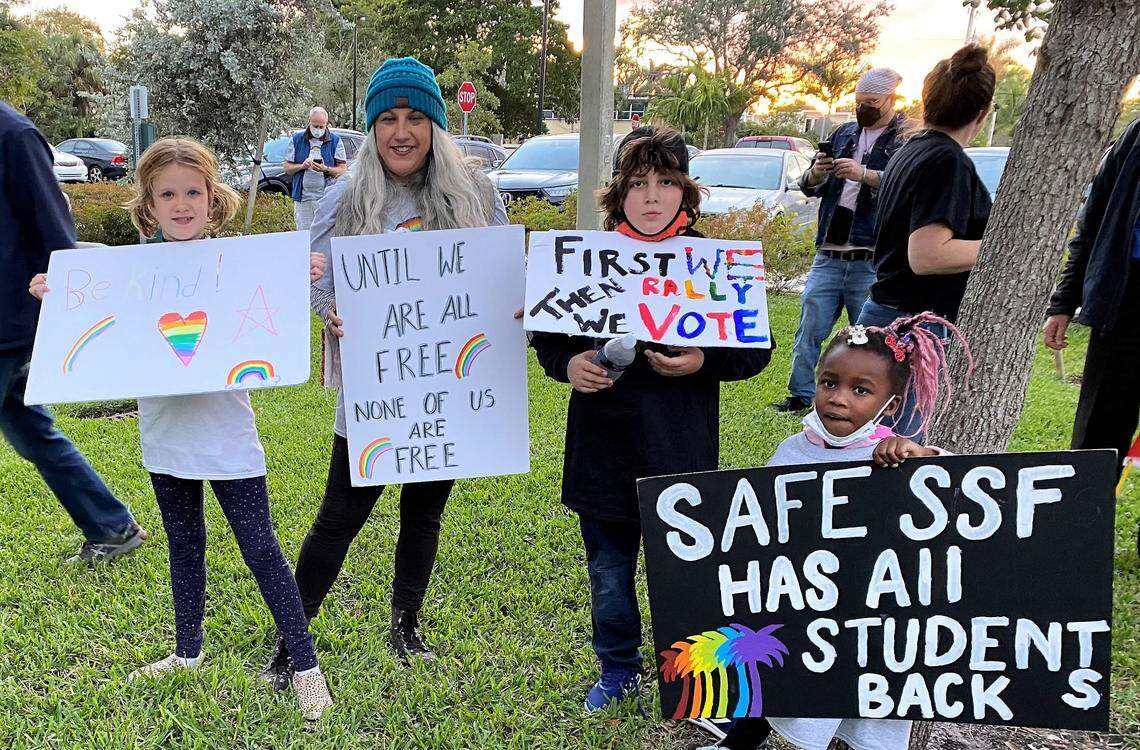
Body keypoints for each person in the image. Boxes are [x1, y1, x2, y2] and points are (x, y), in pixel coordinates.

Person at [32, 138, 333, 720]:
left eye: (192, 191)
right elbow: (94, 320)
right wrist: (58, 296)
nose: (181, 203)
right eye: (167, 193)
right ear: (148, 203)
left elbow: (270, 307)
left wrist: (299, 273)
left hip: (227, 438)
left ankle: (305, 666)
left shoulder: (239, 264)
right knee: (184, 546)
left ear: (212, 196)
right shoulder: (130, 270)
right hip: (165, 435)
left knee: (260, 550)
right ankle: (187, 653)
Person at [260, 57, 510, 688]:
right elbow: (315, 274)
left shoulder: (476, 193)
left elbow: (502, 272)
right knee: (339, 516)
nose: (402, 131)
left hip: (450, 387)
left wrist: (512, 304)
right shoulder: (346, 193)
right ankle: (292, 639)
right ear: (371, 127)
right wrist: (330, 311)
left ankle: (406, 626)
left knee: (424, 515)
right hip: (380, 388)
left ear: (436, 125)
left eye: (416, 117)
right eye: (388, 118)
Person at [530, 126, 774, 713]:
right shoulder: (585, 262)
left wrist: (700, 359)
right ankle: (618, 668)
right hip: (602, 454)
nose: (651, 195)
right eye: (638, 183)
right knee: (609, 575)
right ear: (619, 193)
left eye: (665, 182)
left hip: (680, 453)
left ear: (686, 193)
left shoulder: (715, 264)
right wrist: (570, 366)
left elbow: (754, 352)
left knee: (684, 576)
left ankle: (691, 677)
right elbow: (549, 342)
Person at [693, 312, 968, 750]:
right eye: (829, 383)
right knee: (778, 678)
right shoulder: (793, 448)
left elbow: (954, 490)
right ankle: (736, 742)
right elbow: (758, 521)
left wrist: (921, 454)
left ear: (890, 405)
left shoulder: (894, 456)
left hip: (864, 608)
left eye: (861, 390)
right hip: (798, 599)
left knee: (854, 693)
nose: (839, 399)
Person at [2, 99, 146, 564]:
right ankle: (111, 525)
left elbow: (59, 238)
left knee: (32, 429)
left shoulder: (15, 136)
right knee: (31, 430)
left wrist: (62, 316)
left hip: (8, 320)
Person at [857, 44, 994, 438]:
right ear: (982, 113)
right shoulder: (946, 161)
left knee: (875, 443)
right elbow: (928, 254)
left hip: (888, 312)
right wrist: (999, 247)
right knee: (898, 447)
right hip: (914, 327)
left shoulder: (911, 151)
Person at [770, 68, 905, 415]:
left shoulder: (904, 137)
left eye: (872, 102)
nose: (865, 108)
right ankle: (800, 395)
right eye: (860, 102)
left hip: (870, 254)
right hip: (830, 251)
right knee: (809, 331)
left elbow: (907, 185)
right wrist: (817, 172)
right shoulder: (844, 133)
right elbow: (809, 185)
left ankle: (868, 401)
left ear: (891, 100)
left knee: (871, 339)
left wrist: (865, 175)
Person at [1043, 116, 1140, 547]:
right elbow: (1091, 223)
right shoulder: (1134, 136)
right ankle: (1077, 540)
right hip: (1122, 304)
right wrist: (1063, 302)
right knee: (1099, 434)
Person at [283, 106, 347, 230]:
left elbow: (342, 170)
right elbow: (287, 167)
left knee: (324, 235)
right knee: (304, 236)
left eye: (321, 127)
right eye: (315, 126)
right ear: (309, 122)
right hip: (303, 200)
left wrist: (325, 168)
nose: (318, 129)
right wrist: (302, 166)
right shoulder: (297, 139)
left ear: (326, 124)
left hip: (327, 199)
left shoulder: (335, 141)